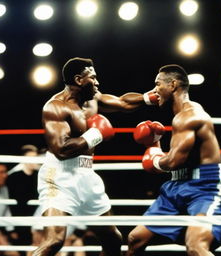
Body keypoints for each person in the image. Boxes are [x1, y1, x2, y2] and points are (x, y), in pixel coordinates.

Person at [32, 57, 158, 256]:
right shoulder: (55, 107)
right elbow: (61, 150)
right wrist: (96, 134)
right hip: (59, 177)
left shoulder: (93, 100)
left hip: (87, 174)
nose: (98, 82)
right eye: (93, 78)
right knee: (54, 241)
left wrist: (148, 98)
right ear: (79, 80)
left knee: (113, 239)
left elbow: (123, 102)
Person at [126, 64, 221, 256]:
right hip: (176, 186)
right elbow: (177, 160)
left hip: (205, 187)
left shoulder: (189, 117)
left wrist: (155, 159)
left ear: (173, 85)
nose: (154, 91)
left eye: (157, 85)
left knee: (196, 246)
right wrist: (156, 148)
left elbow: (173, 161)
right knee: (135, 240)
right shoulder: (180, 116)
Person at [7, 144, 40, 247]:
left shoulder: (39, 176)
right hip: (19, 218)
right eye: (30, 158)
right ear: (23, 159)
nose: (33, 161)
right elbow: (11, 203)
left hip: (36, 218)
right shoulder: (14, 177)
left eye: (35, 158)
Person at [0, 163, 19, 256]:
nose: (5, 175)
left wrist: (11, 230)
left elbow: (6, 210)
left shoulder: (4, 189)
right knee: (11, 253)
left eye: (5, 172)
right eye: (1, 172)